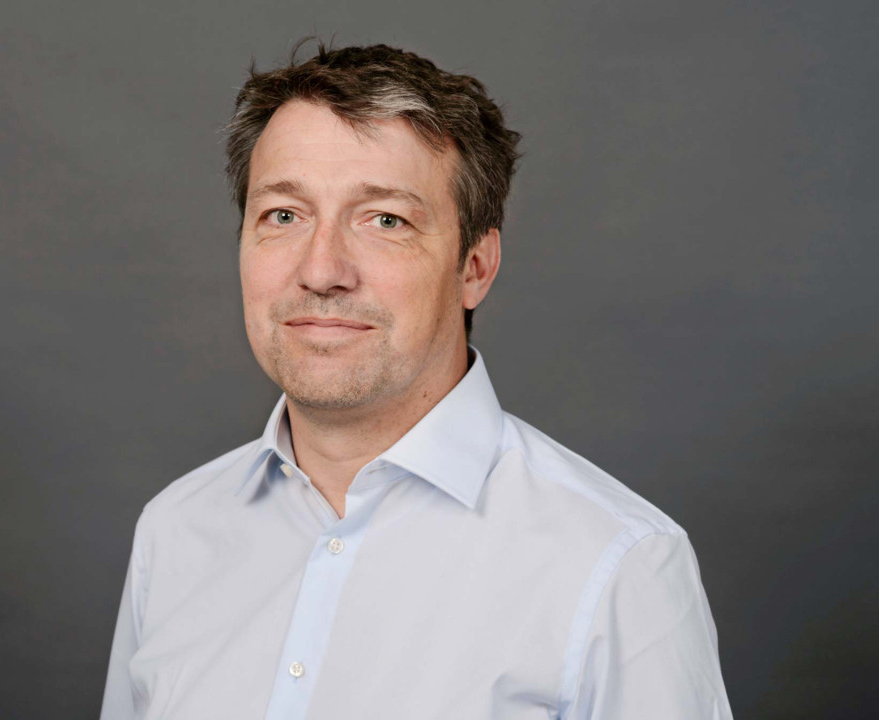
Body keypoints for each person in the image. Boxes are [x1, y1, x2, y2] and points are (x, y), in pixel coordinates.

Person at [100, 42, 733, 720]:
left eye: (386, 220)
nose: (321, 271)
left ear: (475, 266)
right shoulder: (175, 530)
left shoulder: (619, 567)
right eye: (283, 215)